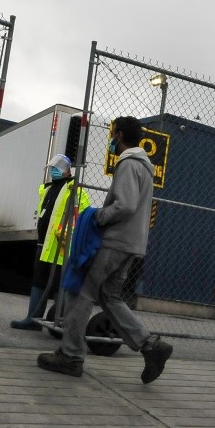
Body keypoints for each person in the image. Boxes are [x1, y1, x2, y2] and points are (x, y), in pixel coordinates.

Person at [37, 116, 173, 384]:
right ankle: (150, 346)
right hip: (132, 243)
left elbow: (125, 205)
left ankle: (71, 356)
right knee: (110, 297)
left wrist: (98, 216)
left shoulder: (128, 164)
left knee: (82, 294)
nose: (111, 141)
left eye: (113, 136)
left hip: (114, 241)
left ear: (120, 136)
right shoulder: (144, 166)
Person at [10, 154, 91, 330]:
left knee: (59, 283)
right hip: (44, 244)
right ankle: (33, 319)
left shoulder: (75, 189)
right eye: (52, 168)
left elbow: (82, 215)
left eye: (57, 168)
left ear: (68, 170)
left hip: (61, 247)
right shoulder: (48, 189)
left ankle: (60, 321)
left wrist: (70, 232)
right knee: (39, 280)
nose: (53, 171)